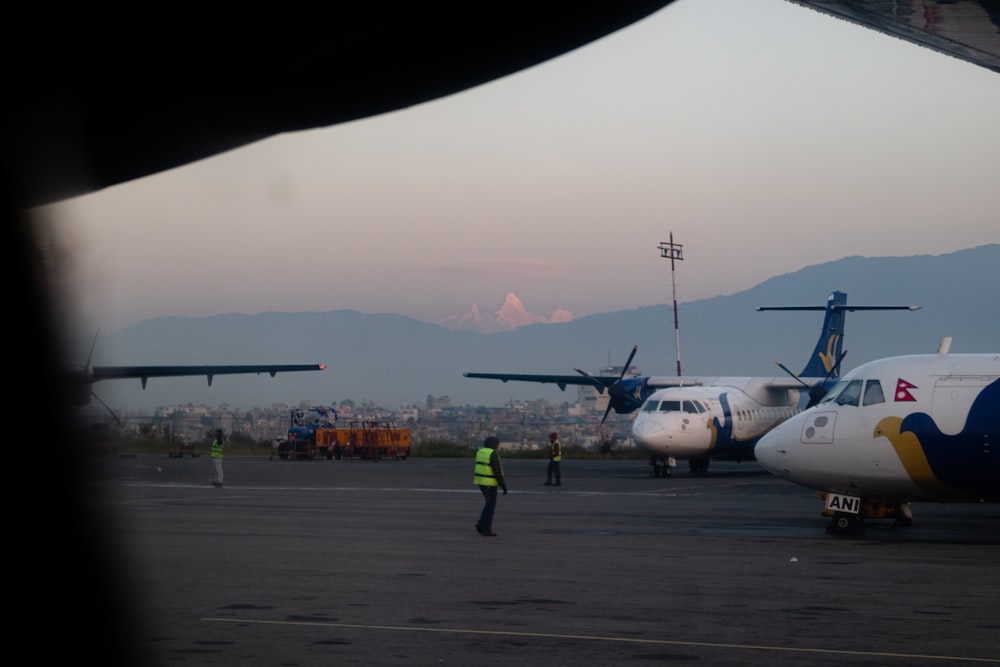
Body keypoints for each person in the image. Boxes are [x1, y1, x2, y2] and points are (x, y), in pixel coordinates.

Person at [473, 436, 507, 536]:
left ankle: (480, 524)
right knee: (490, 508)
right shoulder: (492, 454)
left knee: (488, 505)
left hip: (481, 482)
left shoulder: (480, 452)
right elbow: (497, 471)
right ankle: (486, 528)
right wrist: (503, 486)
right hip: (490, 483)